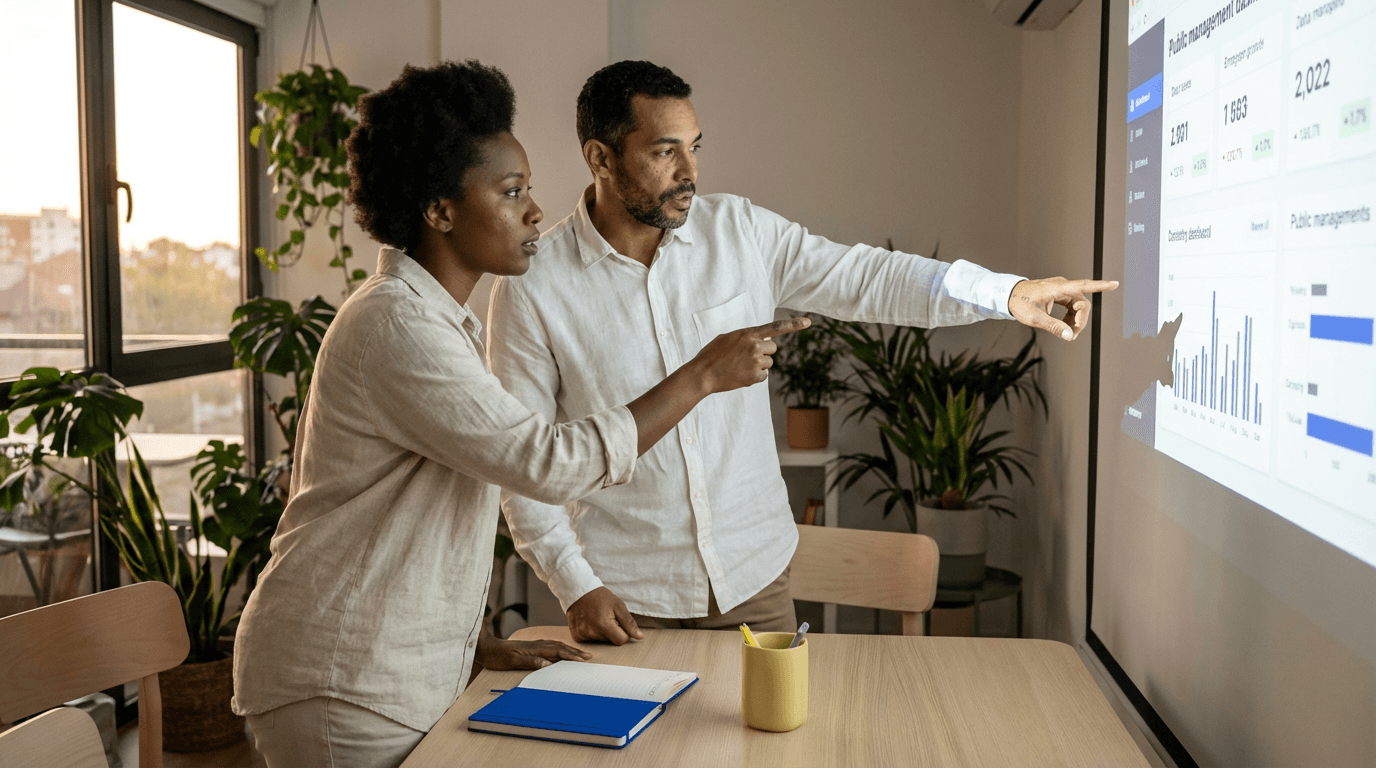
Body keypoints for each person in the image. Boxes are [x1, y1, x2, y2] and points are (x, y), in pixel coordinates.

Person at [231, 60, 807, 768]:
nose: (536, 211)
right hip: (341, 684)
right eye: (511, 192)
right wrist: (699, 376)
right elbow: (546, 463)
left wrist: (468, 642)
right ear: (439, 211)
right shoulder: (397, 327)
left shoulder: (438, 323)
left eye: (529, 188)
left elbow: (394, 518)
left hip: (383, 669)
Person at [487, 60, 1118, 644]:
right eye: (664, 151)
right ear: (600, 157)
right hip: (623, 596)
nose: (690, 172)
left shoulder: (739, 232)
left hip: (755, 581)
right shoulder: (533, 285)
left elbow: (868, 277)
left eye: (695, 147)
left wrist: (1005, 293)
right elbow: (523, 463)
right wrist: (576, 585)